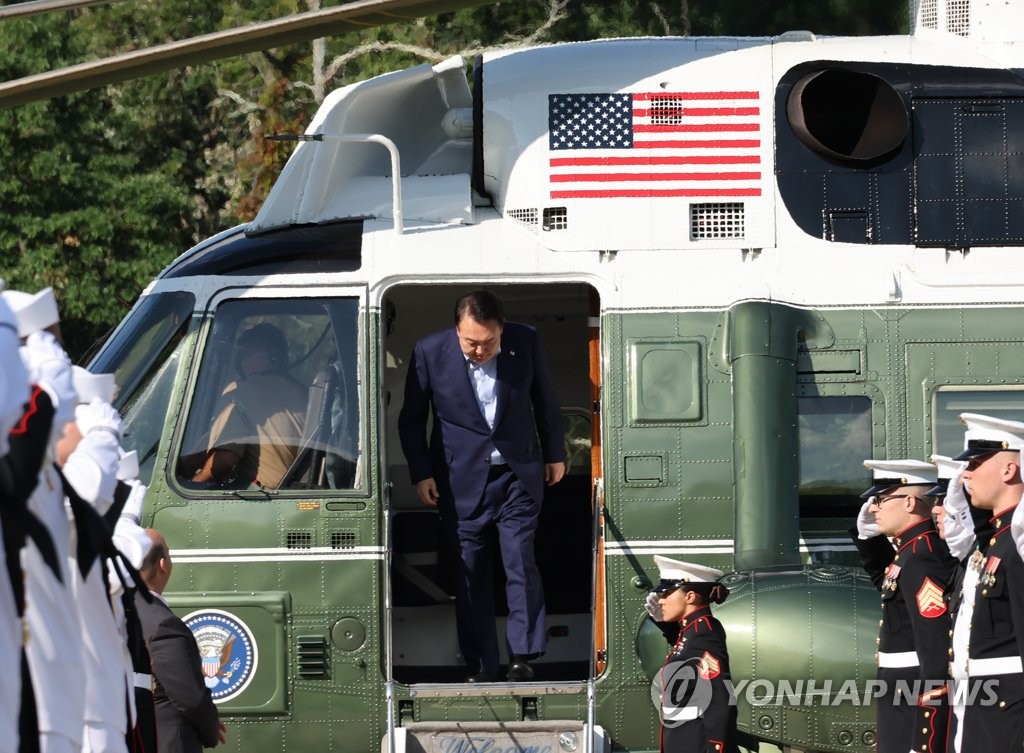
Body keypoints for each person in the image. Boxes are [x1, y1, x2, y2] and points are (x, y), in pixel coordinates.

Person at [397, 289, 566, 682]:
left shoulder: (526, 341)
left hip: (516, 475)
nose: (479, 349)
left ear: (501, 330)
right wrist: (422, 473)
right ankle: (479, 665)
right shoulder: (429, 351)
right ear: (456, 331)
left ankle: (523, 656)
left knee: (520, 563)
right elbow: (411, 419)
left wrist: (554, 453)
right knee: (469, 573)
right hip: (458, 481)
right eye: (470, 342)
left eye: (488, 342)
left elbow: (545, 398)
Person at [851, 459, 956, 753]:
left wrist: (925, 737)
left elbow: (935, 652)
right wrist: (869, 539)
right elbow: (889, 585)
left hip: (911, 697)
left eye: (882, 499)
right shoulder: (910, 552)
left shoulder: (923, 557)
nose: (874, 508)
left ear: (909, 501)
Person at [946, 413, 1024, 753]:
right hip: (985, 706)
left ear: (1009, 469)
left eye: (976, 463)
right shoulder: (999, 540)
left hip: (1010, 713)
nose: (966, 473)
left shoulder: (1017, 543)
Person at [135, 529, 226, 753]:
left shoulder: (117, 613)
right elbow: (190, 698)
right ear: (163, 564)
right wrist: (211, 727)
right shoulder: (163, 624)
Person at [191, 323, 306, 489]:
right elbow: (215, 437)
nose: (244, 359)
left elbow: (224, 460)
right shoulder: (301, 391)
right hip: (294, 494)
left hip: (264, 499)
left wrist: (194, 483)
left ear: (274, 356)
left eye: (249, 353)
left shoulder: (239, 393)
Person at [643, 555, 737, 753]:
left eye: (667, 594)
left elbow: (719, 697)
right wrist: (662, 622)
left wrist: (716, 747)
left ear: (690, 597)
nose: (660, 601)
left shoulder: (703, 634)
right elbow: (684, 648)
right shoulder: (694, 630)